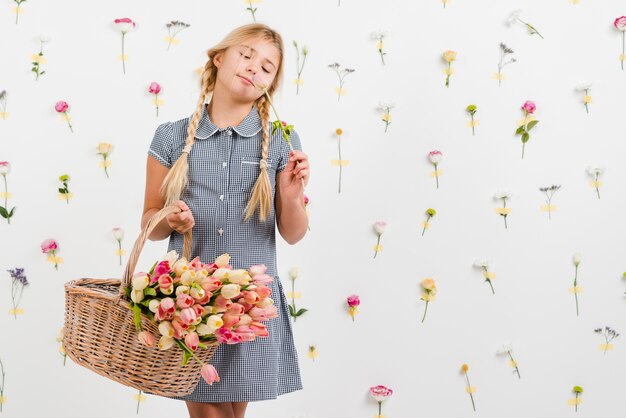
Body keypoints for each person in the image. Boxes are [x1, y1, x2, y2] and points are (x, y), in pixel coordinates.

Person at [141, 23, 310, 418]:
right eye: (246, 55)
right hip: (187, 302)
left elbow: (294, 232)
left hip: (251, 301)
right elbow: (149, 225)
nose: (254, 68)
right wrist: (170, 217)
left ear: (270, 85)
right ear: (219, 58)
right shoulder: (170, 137)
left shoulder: (283, 139)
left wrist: (289, 195)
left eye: (267, 68)